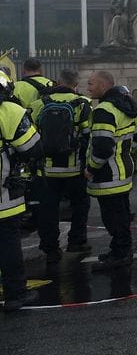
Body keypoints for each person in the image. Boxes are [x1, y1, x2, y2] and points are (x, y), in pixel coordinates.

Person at [29, 69, 92, 263]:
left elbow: (31, 136)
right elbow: (88, 135)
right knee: (80, 204)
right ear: (75, 85)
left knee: (48, 209)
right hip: (74, 168)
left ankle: (50, 248)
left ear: (57, 82)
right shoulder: (84, 104)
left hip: (47, 169)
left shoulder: (38, 104)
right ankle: (77, 241)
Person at [85, 70, 137, 270]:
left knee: (113, 217)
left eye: (91, 84)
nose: (88, 88)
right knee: (121, 213)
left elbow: (102, 146)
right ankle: (119, 249)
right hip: (123, 169)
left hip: (107, 173)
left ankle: (121, 254)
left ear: (103, 86)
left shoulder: (104, 110)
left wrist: (91, 168)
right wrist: (126, 153)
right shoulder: (127, 106)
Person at [0, 71, 44, 311]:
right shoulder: (10, 111)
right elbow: (33, 149)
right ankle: (16, 293)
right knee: (8, 243)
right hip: (4, 196)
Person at [13, 57, 52, 231]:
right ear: (40, 68)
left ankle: (30, 210)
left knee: (27, 174)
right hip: (49, 136)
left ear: (24, 69)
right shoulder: (51, 83)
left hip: (27, 137)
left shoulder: (19, 87)